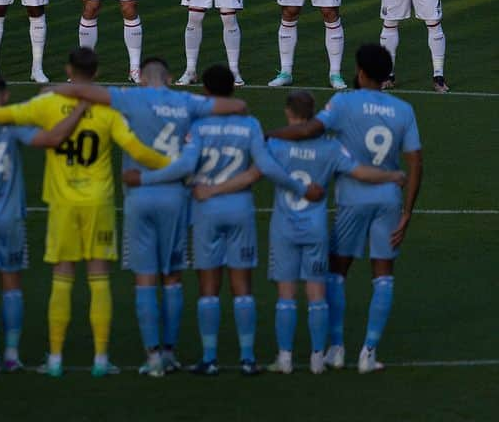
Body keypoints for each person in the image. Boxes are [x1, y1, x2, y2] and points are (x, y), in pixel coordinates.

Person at [0, 47, 170, 377]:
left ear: (67, 69)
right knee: (99, 278)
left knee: (61, 278)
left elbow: (5, 115)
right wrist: (171, 166)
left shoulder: (48, 104)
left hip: (63, 203)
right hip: (98, 203)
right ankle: (101, 360)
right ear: (97, 72)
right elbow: (137, 150)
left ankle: (56, 359)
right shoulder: (108, 110)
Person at [48, 56, 247, 376]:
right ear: (168, 78)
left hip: (139, 197)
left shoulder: (131, 97)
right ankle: (170, 351)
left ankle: (152, 356)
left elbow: (86, 92)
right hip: (175, 198)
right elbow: (232, 107)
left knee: (145, 279)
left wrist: (54, 88)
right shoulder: (186, 100)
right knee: (172, 277)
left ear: (141, 78)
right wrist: (240, 108)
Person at [140, 65, 322, 376]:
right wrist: (301, 187)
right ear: (233, 91)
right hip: (240, 210)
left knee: (208, 287)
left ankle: (209, 359)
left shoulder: (197, 125)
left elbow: (185, 165)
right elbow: (266, 165)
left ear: (206, 93)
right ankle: (247, 359)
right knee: (242, 287)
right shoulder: (249, 124)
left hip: (206, 211)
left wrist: (150, 178)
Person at [208, 91, 406, 375]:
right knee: (316, 292)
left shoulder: (276, 145)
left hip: (284, 229)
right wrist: (392, 175)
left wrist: (213, 190)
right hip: (315, 230)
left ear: (289, 114)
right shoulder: (332, 148)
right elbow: (361, 173)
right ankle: (316, 360)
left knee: (286, 295)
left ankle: (285, 359)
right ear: (313, 114)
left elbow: (251, 175)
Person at [266, 44, 422, 373]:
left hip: (353, 198)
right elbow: (415, 162)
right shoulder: (404, 110)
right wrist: (407, 213)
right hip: (388, 201)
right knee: (383, 275)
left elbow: (310, 129)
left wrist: (268, 134)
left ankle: (336, 348)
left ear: (361, 72)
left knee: (337, 272)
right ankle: (369, 352)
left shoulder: (343, 102)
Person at [0, 72, 88, 376]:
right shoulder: (12, 121)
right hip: (9, 216)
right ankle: (12, 355)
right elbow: (53, 139)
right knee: (12, 285)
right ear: (6, 96)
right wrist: (78, 110)